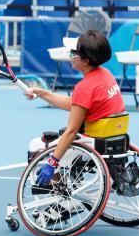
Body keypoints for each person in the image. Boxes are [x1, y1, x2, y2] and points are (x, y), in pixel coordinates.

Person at [26, 30, 128, 187]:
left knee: (36, 145)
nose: (70, 55)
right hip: (114, 142)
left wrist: (52, 162)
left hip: (93, 147)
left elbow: (72, 131)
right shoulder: (105, 75)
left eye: (73, 52)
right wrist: (42, 93)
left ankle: (60, 197)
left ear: (86, 60)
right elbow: (74, 104)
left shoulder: (85, 87)